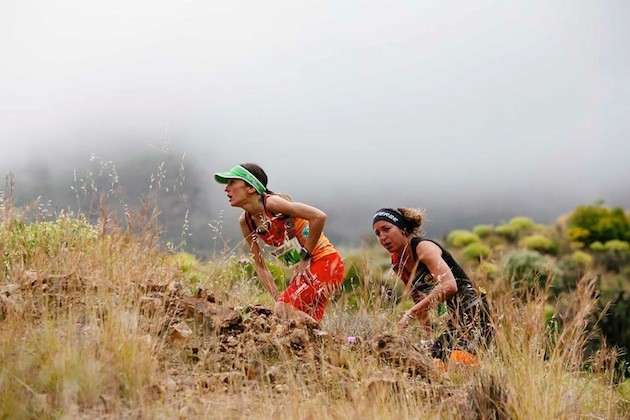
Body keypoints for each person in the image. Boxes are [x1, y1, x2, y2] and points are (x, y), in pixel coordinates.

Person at [214, 163, 345, 323]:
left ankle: (338, 342)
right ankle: (334, 344)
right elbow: (260, 265)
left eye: (232, 183)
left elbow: (318, 217)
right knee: (301, 322)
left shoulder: (272, 204)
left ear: (251, 188)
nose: (226, 189)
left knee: (284, 311)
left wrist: (304, 257)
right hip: (305, 272)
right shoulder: (246, 222)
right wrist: (277, 296)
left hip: (326, 262)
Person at [372, 207, 491, 364]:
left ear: (403, 229)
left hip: (473, 311)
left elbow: (450, 285)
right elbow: (417, 298)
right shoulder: (396, 262)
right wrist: (427, 337)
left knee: (458, 364)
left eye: (387, 229)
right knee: (434, 363)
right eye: (378, 233)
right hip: (452, 318)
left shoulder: (423, 248)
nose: (383, 237)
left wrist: (410, 314)